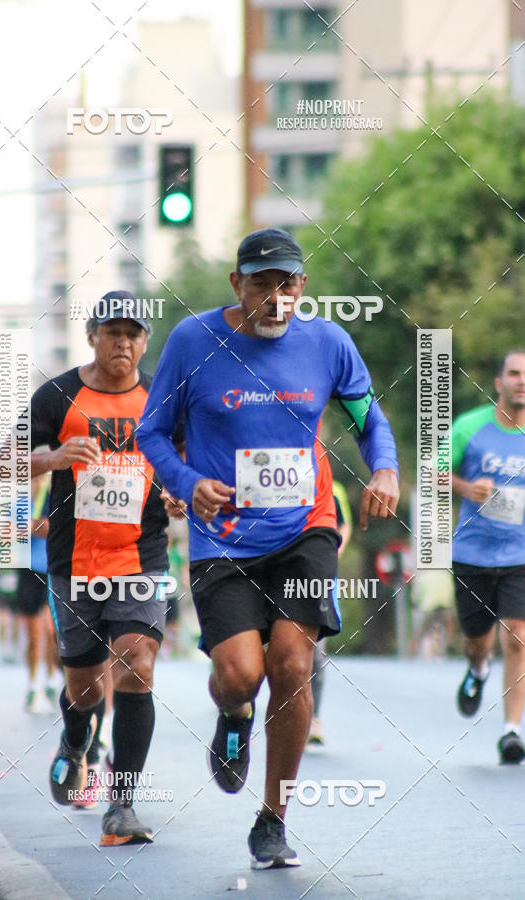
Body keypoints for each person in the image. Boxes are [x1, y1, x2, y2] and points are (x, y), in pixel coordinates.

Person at [137, 228, 399, 868]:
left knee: (290, 664)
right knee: (241, 677)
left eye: (288, 284)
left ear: (302, 287)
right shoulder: (193, 341)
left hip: (305, 527)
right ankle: (232, 715)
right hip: (222, 537)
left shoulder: (327, 342)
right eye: (262, 285)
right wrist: (188, 482)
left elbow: (369, 418)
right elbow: (153, 432)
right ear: (237, 285)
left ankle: (272, 820)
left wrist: (385, 468)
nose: (276, 299)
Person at [24, 290, 178, 846]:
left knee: (138, 663)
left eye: (134, 333)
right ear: (92, 336)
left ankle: (123, 805)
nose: (124, 342)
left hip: (141, 554)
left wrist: (181, 493)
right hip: (73, 561)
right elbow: (6, 461)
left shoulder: (163, 395)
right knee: (86, 688)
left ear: (145, 340)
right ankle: (75, 738)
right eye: (113, 331)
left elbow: (185, 461)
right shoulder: (57, 395)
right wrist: (53, 457)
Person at [452, 350, 525, 764]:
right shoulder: (470, 426)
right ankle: (477, 670)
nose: (521, 382)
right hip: (472, 553)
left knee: (517, 634)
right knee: (477, 642)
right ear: (499, 383)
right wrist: (466, 488)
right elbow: (435, 473)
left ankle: (511, 731)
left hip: (520, 552)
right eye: (514, 374)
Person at [306, 476, 352, 750]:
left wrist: (332, 552)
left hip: (320, 575)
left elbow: (344, 525)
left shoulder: (334, 488)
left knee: (316, 653)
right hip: (280, 572)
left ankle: (314, 719)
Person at [16, 474, 61, 714]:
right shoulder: (19, 505)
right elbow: (9, 537)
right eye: (35, 478)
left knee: (50, 630)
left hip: (52, 571)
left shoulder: (54, 502)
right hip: (28, 571)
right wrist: (24, 529)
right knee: (33, 635)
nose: (39, 482)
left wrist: (39, 526)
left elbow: (58, 529)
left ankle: (52, 678)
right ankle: (33, 683)